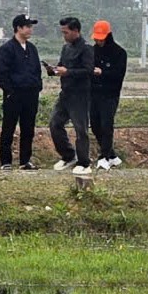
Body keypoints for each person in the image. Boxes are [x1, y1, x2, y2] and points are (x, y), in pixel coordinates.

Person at [46, 16, 94, 175]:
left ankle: (84, 162)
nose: (64, 36)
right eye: (62, 32)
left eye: (66, 32)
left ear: (76, 31)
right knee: (55, 123)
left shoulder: (87, 48)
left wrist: (69, 72)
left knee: (80, 129)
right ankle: (68, 155)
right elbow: (62, 65)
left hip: (80, 95)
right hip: (65, 93)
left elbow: (88, 71)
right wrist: (54, 70)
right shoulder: (66, 48)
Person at [0, 14, 41, 171]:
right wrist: (9, 91)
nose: (30, 29)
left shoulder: (32, 48)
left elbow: (36, 70)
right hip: (14, 95)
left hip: (31, 95)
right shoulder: (6, 49)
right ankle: (6, 161)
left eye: (31, 26)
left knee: (28, 128)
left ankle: (25, 161)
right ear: (18, 28)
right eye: (27, 26)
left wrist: (37, 87)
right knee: (8, 128)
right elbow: (1, 73)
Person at [89, 20, 127, 170]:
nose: (98, 41)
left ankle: (104, 156)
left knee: (106, 125)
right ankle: (112, 156)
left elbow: (118, 75)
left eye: (101, 38)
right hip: (94, 93)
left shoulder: (119, 53)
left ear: (108, 35)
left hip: (110, 94)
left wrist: (102, 72)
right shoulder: (92, 51)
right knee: (95, 125)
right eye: (96, 38)